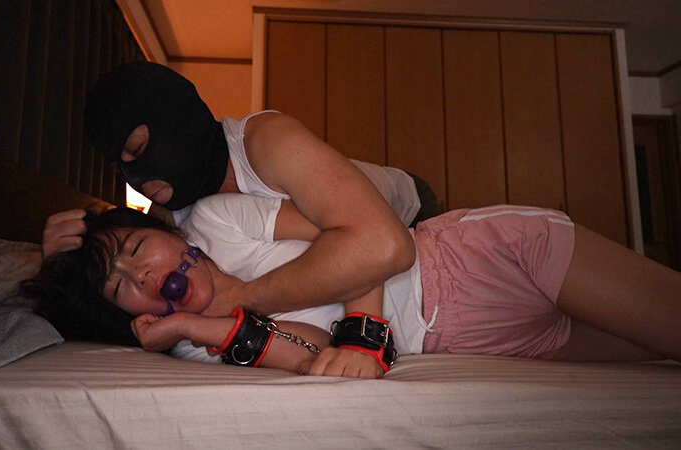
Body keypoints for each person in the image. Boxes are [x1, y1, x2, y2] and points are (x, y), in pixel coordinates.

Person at [25, 194, 681, 379]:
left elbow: (359, 230)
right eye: (121, 288)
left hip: (480, 260)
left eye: (135, 251)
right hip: (468, 338)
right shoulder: (197, 343)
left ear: (170, 233)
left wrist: (366, 334)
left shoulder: (219, 220)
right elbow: (312, 352)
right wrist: (202, 326)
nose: (141, 276)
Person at [43, 61, 440, 321]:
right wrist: (60, 273)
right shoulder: (170, 224)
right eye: (121, 166)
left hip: (412, 206)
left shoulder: (269, 143)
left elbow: (385, 247)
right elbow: (121, 302)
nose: (138, 177)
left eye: (140, 148)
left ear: (175, 119)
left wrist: (245, 297)